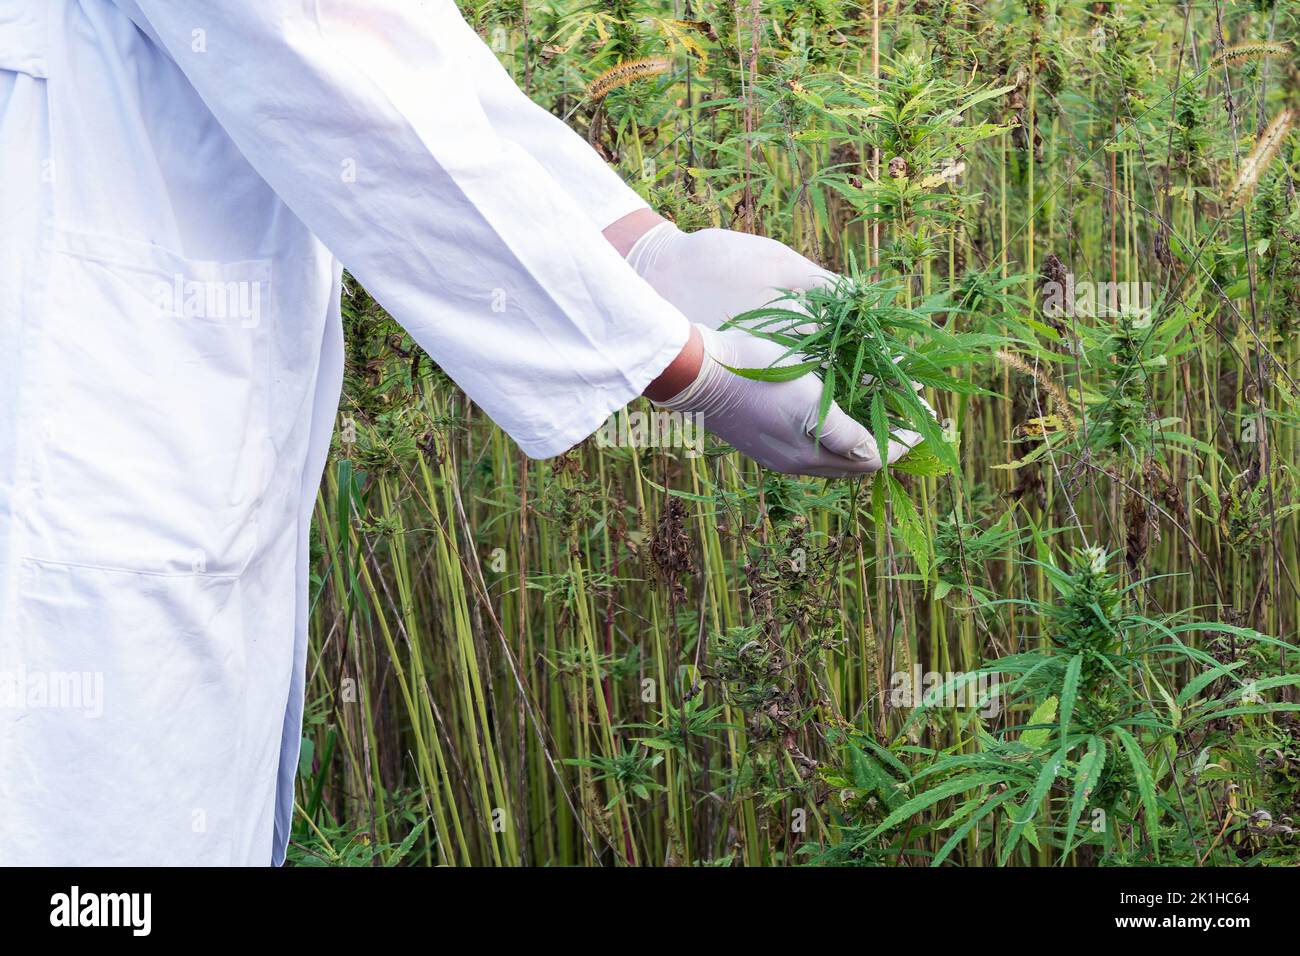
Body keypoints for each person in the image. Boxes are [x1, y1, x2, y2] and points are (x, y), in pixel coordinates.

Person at [0, 0, 917, 865]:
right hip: (75, 324)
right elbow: (325, 76)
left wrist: (645, 250)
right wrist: (690, 371)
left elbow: (381, 40)